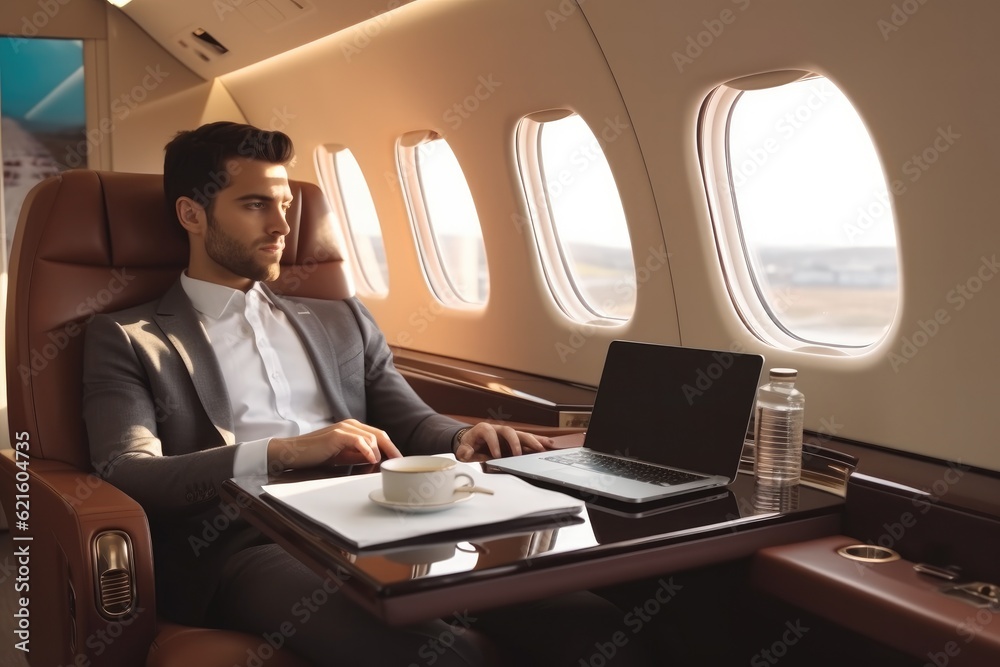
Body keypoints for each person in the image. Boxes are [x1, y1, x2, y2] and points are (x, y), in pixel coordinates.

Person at [82, 121, 653, 666]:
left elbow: (410, 421)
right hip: (249, 547)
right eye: (255, 204)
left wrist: (463, 437)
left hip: (384, 520)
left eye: (284, 204)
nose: (282, 225)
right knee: (446, 656)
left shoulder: (341, 320)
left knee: (594, 627)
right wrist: (282, 452)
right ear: (192, 214)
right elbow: (128, 471)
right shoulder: (131, 338)